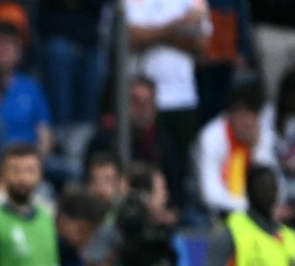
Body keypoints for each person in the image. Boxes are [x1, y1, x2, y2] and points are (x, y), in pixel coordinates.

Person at [126, 0, 212, 173]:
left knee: (179, 171)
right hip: (141, 100)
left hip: (183, 99)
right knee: (141, 167)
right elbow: (130, 36)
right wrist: (174, 28)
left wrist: (154, 34)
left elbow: (204, 43)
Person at [87, 77, 183, 206]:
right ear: (122, 103)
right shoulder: (103, 139)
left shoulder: (164, 141)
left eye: (148, 102)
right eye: (136, 101)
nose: (143, 108)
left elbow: (176, 185)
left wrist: (172, 212)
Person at [195, 81, 280, 218]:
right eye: (244, 114)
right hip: (213, 211)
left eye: (254, 114)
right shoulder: (210, 138)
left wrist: (256, 149)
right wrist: (251, 207)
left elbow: (271, 184)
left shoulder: (262, 135)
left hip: (250, 209)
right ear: (230, 114)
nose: (249, 122)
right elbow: (210, 194)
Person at [38, 0, 110, 126]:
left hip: (90, 38)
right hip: (55, 33)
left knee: (89, 102)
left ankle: (85, 141)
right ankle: (60, 137)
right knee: (58, 54)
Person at [0, 22, 54, 157]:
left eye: (8, 46)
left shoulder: (31, 87)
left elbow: (45, 132)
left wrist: (35, 163)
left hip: (30, 159)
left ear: (18, 52)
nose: (3, 52)